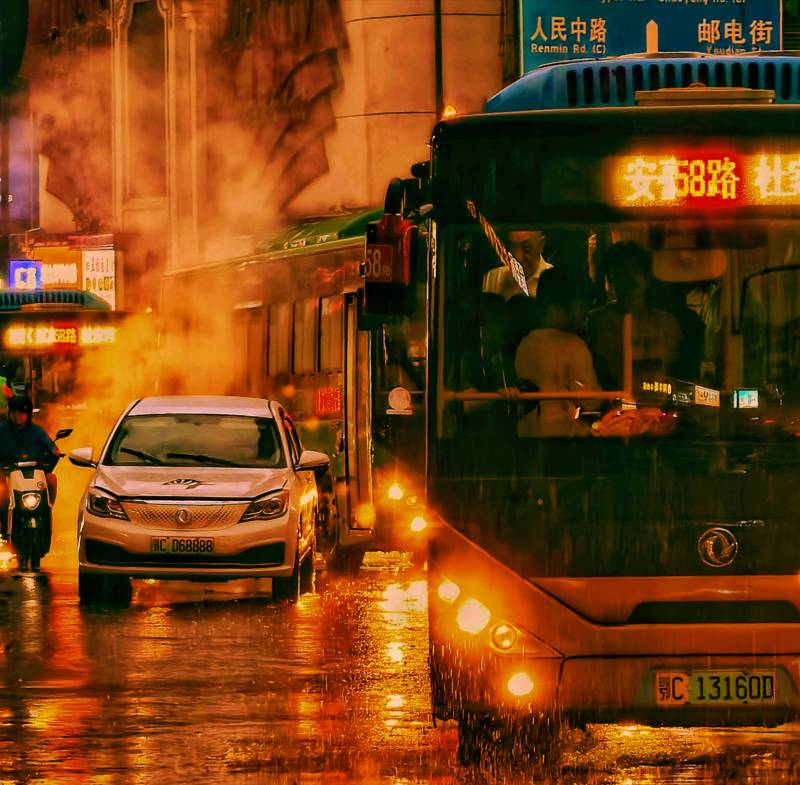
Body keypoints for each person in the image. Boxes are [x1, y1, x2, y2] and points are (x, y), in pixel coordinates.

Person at [515, 267, 600, 437]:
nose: (585, 313)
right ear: (557, 306)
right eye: (582, 305)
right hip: (564, 439)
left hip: (528, 435)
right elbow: (591, 401)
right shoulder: (573, 345)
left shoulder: (526, 343)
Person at [587, 242, 682, 390]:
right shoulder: (598, 321)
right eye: (622, 271)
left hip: (659, 402)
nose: (630, 277)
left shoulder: (666, 323)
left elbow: (672, 371)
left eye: (635, 270)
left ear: (647, 276)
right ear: (610, 278)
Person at [0, 396, 60, 541]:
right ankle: (2, 521)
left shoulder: (37, 431)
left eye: (22, 412)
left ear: (28, 414)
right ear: (10, 413)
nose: (18, 416)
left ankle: (47, 509)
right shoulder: (2, 430)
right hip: (7, 474)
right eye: (15, 412)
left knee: (52, 479)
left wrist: (53, 454)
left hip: (34, 475)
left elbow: (53, 449)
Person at [483, 229, 552, 299]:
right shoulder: (494, 277)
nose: (518, 257)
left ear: (541, 245)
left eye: (526, 248)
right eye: (512, 247)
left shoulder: (555, 280)